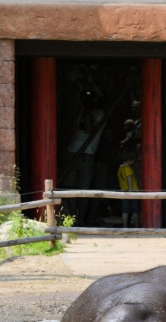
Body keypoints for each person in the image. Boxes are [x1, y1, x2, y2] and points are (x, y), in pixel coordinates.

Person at [64, 90, 105, 225]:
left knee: (84, 188)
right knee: (70, 187)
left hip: (87, 154)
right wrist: (81, 112)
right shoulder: (79, 111)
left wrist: (87, 115)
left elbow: (89, 129)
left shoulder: (99, 113)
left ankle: (81, 220)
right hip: (72, 153)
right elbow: (74, 128)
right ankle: (71, 218)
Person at [117, 149, 140, 228]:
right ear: (129, 160)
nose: (134, 161)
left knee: (125, 211)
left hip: (123, 191)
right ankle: (137, 226)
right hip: (132, 191)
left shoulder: (120, 168)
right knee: (135, 210)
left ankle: (125, 226)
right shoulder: (128, 168)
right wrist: (130, 190)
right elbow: (129, 178)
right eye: (133, 160)